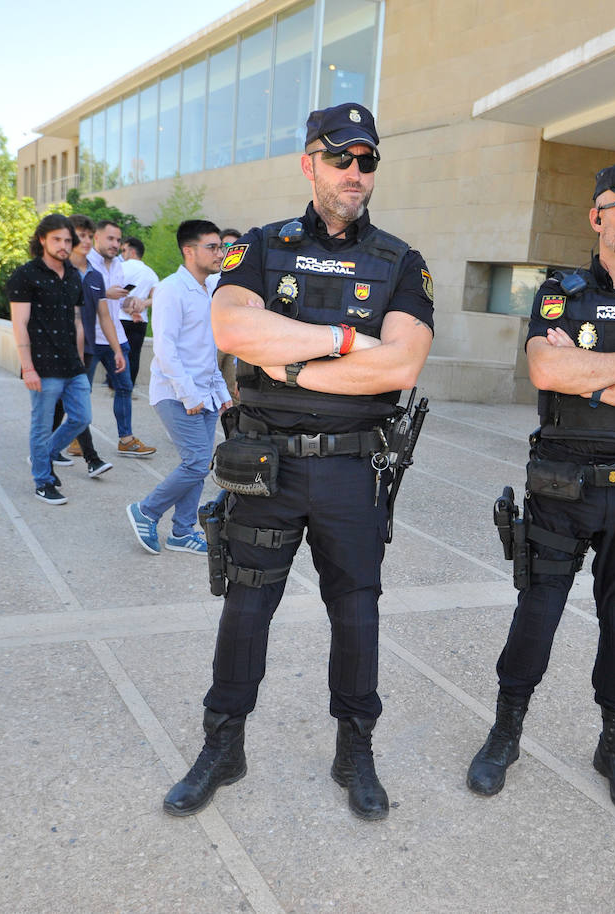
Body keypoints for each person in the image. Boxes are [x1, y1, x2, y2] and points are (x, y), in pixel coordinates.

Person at [163, 103, 434, 823]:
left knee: (356, 615)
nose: (355, 171)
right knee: (246, 608)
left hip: (353, 471)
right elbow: (233, 326)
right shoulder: (258, 245)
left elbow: (401, 365)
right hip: (266, 466)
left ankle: (356, 750)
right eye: (340, 156)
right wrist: (348, 343)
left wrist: (286, 366)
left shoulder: (402, 261)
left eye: (367, 159)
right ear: (309, 161)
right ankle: (223, 747)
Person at [466, 155, 615, 815]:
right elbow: (547, 372)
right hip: (562, 484)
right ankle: (505, 732)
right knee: (538, 613)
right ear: (598, 214)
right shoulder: (561, 292)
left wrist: (593, 374)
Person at [125, 220, 233, 555]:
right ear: (189, 251)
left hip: (206, 393)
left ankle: (182, 532)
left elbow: (206, 348)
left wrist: (222, 395)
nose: (219, 253)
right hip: (176, 393)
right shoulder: (171, 289)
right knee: (198, 463)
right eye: (212, 247)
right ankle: (146, 510)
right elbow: (166, 348)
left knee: (197, 465)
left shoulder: (209, 289)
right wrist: (188, 395)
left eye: (220, 246)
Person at [6, 214, 93, 505]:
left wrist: (80, 362)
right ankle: (43, 480)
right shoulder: (25, 275)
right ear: (42, 239)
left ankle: (41, 455)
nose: (64, 245)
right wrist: (27, 367)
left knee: (82, 417)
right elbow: (19, 323)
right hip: (43, 365)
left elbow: (78, 321)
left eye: (68, 240)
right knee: (41, 426)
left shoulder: (73, 276)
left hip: (72, 363)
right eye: (57, 239)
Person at [76, 219, 156, 458]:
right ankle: (77, 439)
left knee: (124, 388)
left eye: (118, 240)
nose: (115, 244)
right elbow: (75, 295)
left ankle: (126, 439)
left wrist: (131, 304)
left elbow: (117, 300)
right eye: (110, 239)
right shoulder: (83, 263)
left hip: (115, 338)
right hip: (89, 338)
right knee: (81, 390)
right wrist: (104, 293)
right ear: (96, 238)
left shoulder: (119, 266)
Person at [52, 215, 118, 479]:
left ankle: (48, 448)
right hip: (59, 349)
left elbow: (104, 316)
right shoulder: (56, 272)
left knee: (64, 402)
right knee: (76, 402)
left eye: (90, 236)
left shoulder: (95, 276)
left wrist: (116, 350)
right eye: (81, 235)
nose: (87, 241)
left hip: (87, 348)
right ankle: (92, 459)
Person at [119, 236, 159, 386]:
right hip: (140, 320)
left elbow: (111, 294)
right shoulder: (150, 272)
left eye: (124, 250)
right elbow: (157, 298)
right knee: (134, 355)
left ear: (131, 251)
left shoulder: (119, 268)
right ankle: (130, 386)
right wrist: (142, 303)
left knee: (117, 353)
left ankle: (116, 385)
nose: (122, 254)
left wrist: (129, 306)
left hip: (119, 318)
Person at [215, 227, 244, 402]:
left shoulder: (246, 278)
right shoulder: (209, 278)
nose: (230, 249)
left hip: (235, 343)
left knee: (234, 395)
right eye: (226, 245)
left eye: (236, 246)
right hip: (211, 342)